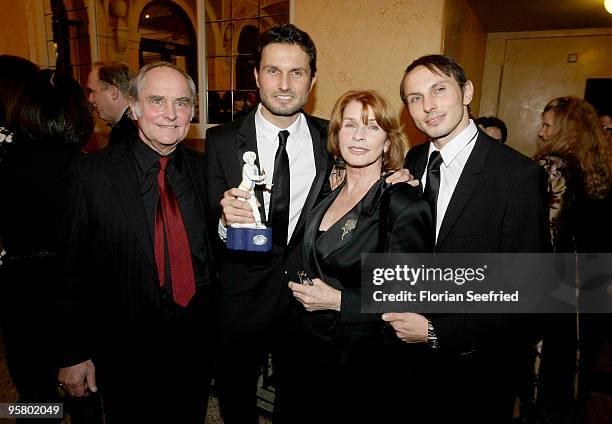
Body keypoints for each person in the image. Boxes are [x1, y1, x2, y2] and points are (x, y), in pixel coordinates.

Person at [382, 54, 550, 423]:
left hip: (477, 366)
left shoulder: (517, 176)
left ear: (466, 91)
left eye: (439, 90)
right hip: (409, 359)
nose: (427, 106)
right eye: (414, 97)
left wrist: (436, 332)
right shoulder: (415, 158)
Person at [57, 62, 217, 423]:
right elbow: (70, 271)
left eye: (182, 103)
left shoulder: (207, 171)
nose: (171, 114)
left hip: (194, 342)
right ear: (134, 107)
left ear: (192, 110)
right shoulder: (90, 175)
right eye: (157, 100)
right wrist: (73, 353)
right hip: (124, 348)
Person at [204, 23, 332, 423]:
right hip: (242, 293)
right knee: (236, 392)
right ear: (256, 75)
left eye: (296, 72)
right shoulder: (221, 141)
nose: (284, 84)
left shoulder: (331, 139)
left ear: (311, 80)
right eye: (273, 70)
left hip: (306, 295)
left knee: (303, 394)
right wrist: (226, 221)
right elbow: (207, 224)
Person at [288, 90, 433, 422]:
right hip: (310, 347)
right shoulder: (327, 191)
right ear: (337, 137)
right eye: (349, 125)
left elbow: (408, 294)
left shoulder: (402, 202)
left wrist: (340, 301)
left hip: (362, 358)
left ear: (387, 142)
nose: (358, 135)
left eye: (371, 127)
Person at [0, 69, 92, 415]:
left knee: (34, 398)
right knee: (83, 397)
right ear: (77, 112)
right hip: (68, 296)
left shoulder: (5, 160)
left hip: (17, 293)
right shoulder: (84, 170)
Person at [535, 96, 612, 412]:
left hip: (557, 280)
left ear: (568, 131)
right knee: (578, 362)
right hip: (595, 275)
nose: (541, 133)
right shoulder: (601, 168)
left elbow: (544, 235)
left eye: (547, 125)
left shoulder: (552, 166)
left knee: (547, 365)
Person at [85, 61, 135, 145]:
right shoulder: (135, 122)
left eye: (93, 92)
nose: (90, 99)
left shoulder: (126, 131)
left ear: (113, 93)